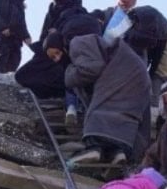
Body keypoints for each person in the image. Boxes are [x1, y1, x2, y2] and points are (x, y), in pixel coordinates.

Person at [64, 31, 152, 166]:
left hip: (125, 74)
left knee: (101, 107)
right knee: (123, 114)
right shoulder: (108, 47)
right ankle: (118, 153)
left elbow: (92, 69)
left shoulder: (78, 41)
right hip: (140, 78)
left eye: (56, 55)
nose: (56, 59)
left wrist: (69, 75)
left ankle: (93, 149)